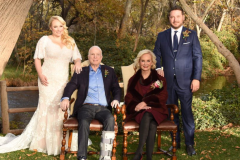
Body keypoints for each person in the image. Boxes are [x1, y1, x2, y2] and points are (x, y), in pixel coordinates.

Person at [0, 16, 85, 155]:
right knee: (47, 108)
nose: (58, 29)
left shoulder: (70, 41)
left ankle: (61, 141)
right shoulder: (44, 40)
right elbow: (37, 58)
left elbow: (77, 57)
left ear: (64, 27)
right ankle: (42, 142)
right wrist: (40, 74)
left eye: (60, 26)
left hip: (63, 81)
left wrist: (77, 62)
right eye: (55, 26)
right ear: (51, 28)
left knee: (61, 109)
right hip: (47, 79)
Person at [153, 6, 202, 156]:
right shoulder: (162, 36)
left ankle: (189, 144)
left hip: (186, 82)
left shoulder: (191, 35)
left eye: (178, 16)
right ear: (169, 18)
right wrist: (158, 67)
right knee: (171, 114)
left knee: (187, 113)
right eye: (172, 17)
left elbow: (197, 57)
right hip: (168, 83)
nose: (175, 19)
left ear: (183, 18)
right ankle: (176, 141)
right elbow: (156, 54)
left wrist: (196, 78)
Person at [60, 45, 121, 160]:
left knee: (110, 119)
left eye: (98, 54)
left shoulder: (109, 71)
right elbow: (71, 85)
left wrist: (116, 99)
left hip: (103, 108)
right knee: (83, 121)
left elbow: (116, 88)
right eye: (92, 54)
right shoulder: (81, 71)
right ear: (88, 57)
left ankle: (105, 156)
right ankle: (82, 156)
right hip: (86, 107)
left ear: (101, 57)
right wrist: (65, 98)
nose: (95, 57)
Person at [124, 49, 168, 160]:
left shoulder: (159, 80)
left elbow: (162, 97)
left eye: (148, 61)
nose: (145, 64)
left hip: (157, 110)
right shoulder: (133, 80)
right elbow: (129, 97)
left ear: (152, 63)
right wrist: (138, 106)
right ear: (139, 62)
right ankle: (148, 157)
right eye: (143, 61)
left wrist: (145, 102)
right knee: (151, 122)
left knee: (149, 114)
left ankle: (139, 152)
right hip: (139, 111)